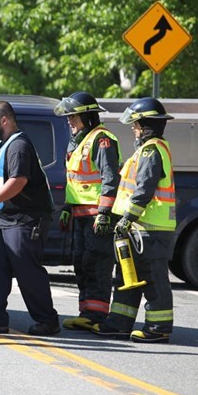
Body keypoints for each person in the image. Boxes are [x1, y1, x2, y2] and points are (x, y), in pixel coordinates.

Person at [92, 97, 177, 343]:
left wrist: (128, 218)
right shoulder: (147, 149)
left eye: (136, 124)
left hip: (150, 227)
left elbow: (144, 190)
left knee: (152, 279)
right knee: (127, 277)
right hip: (139, 227)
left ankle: (158, 328)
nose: (133, 128)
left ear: (146, 125)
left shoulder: (152, 151)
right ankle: (118, 324)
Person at [0, 101, 61, 336]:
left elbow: (18, 181)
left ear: (4, 120)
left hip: (25, 219)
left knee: (27, 270)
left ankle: (48, 320)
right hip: (3, 218)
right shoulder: (3, 144)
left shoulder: (19, 145)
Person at [53, 92, 121, 331]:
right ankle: (87, 312)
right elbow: (76, 181)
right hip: (81, 215)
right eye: (69, 116)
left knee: (97, 263)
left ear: (88, 116)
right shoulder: (79, 141)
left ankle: (96, 315)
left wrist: (104, 212)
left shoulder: (102, 140)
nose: (69, 120)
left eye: (74, 116)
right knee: (81, 263)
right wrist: (67, 207)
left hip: (96, 216)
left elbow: (110, 178)